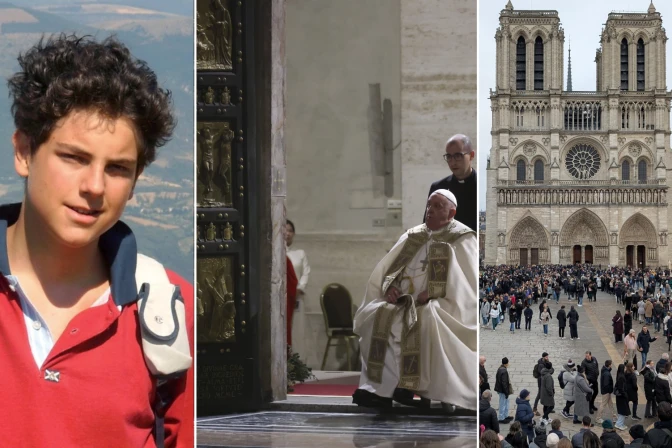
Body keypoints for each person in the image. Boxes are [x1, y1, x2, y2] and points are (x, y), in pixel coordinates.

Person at [0, 34, 194, 446]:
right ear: (23, 152)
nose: (94, 186)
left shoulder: (171, 310)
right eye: (74, 158)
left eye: (118, 169)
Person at [352, 189, 477, 410]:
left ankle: (411, 386)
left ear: (452, 213)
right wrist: (389, 286)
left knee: (429, 316)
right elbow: (388, 269)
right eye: (429, 205)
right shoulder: (413, 235)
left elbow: (468, 283)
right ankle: (379, 390)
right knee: (376, 314)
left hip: (439, 302)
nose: (430, 210)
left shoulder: (462, 237)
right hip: (402, 301)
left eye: (438, 206)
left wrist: (433, 292)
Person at [426, 134, 476, 231]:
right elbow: (427, 225)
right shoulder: (438, 187)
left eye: (458, 156)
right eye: (449, 156)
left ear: (471, 155)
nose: (453, 162)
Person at [285, 219, 310, 346]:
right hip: (283, 296)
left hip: (297, 296)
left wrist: (299, 288)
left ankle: (298, 361)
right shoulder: (276, 253)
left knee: (298, 330)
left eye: (290, 231)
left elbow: (306, 272)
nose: (287, 233)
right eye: (285, 230)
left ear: (294, 233)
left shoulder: (300, 253)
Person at [596, 360, 615, 424]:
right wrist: (610, 390)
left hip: (606, 391)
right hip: (606, 391)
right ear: (609, 365)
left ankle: (614, 416)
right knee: (603, 404)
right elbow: (606, 384)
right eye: (611, 364)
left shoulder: (604, 370)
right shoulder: (606, 373)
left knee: (610, 404)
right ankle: (598, 418)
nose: (611, 365)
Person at [495, 357, 513, 423]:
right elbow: (504, 383)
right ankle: (501, 417)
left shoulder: (500, 368)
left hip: (500, 389)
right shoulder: (504, 371)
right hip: (503, 390)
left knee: (506, 402)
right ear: (506, 363)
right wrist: (506, 392)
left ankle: (505, 415)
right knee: (503, 403)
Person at [614, 364, 631, 431]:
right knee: (623, 411)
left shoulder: (620, 375)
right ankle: (619, 424)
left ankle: (620, 423)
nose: (625, 369)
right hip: (621, 396)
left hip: (620, 396)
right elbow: (621, 388)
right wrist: (625, 395)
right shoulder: (621, 377)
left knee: (622, 410)